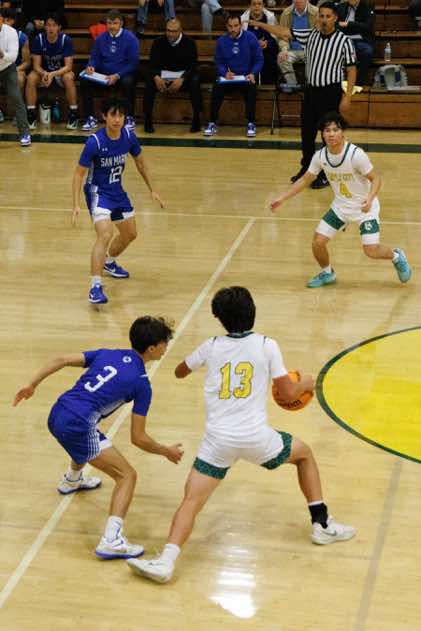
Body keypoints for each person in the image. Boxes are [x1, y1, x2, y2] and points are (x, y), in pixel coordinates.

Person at [127, 286, 356, 584]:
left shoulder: (211, 345)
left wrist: (202, 363)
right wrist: (306, 383)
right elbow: (288, 393)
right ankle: (322, 525)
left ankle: (166, 562)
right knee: (304, 455)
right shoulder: (267, 345)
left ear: (219, 318)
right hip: (256, 439)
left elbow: (179, 372)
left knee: (191, 501)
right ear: (253, 312)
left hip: (218, 441)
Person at [14, 316, 184, 560]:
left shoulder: (109, 354)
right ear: (151, 348)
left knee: (89, 442)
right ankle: (111, 541)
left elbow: (61, 359)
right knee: (127, 476)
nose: (166, 346)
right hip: (77, 425)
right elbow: (138, 438)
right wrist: (165, 451)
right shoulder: (141, 384)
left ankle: (72, 480)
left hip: (57, 412)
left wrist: (32, 384)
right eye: (164, 343)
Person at [270, 112, 412, 288]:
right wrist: (282, 198)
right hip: (341, 207)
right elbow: (305, 180)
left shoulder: (356, 155)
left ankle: (397, 256)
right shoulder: (320, 156)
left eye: (335, 130)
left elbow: (376, 179)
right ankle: (327, 273)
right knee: (318, 242)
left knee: (371, 251)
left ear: (342, 132)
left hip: (365, 207)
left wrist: (369, 198)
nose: (331, 134)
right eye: (327, 130)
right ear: (322, 134)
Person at [249, 2, 357, 189]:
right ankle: (307, 167)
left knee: (328, 135)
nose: (324, 20)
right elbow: (284, 32)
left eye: (328, 16)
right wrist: (259, 24)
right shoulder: (311, 35)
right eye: (321, 16)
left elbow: (352, 69)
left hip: (330, 92)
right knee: (307, 133)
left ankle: (326, 173)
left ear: (335, 18)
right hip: (311, 91)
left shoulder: (344, 41)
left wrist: (347, 97)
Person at [72, 97, 164, 305]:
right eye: (113, 115)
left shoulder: (128, 136)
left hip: (117, 191)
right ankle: (95, 287)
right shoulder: (94, 142)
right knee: (105, 234)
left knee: (130, 234)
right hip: (97, 192)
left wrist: (153, 189)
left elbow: (140, 162)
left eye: (121, 115)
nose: (117, 119)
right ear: (104, 116)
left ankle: (109, 262)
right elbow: (78, 174)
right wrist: (76, 203)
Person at [204, 14, 263, 138]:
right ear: (226, 26)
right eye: (230, 26)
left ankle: (251, 123)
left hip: (246, 77)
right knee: (217, 86)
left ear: (240, 25)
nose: (233, 29)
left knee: (251, 88)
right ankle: (212, 122)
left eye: (236, 26)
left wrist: (253, 73)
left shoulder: (250, 37)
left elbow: (259, 59)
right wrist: (224, 73)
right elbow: (218, 62)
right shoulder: (221, 41)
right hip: (229, 78)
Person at [80, 10, 139, 132]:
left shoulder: (131, 38)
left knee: (128, 82)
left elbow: (133, 64)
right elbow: (94, 58)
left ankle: (129, 117)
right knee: (85, 80)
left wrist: (117, 75)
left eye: (115, 23)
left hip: (122, 74)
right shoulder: (101, 38)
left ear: (121, 23)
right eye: (109, 23)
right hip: (104, 75)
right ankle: (90, 118)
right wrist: (91, 66)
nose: (112, 26)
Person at [143, 19, 202, 133]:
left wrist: (182, 78)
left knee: (195, 80)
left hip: (182, 78)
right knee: (149, 80)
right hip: (163, 77)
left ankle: (197, 118)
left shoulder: (190, 42)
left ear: (180, 31)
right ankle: (148, 118)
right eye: (168, 30)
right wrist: (156, 77)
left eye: (174, 31)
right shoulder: (158, 42)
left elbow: (193, 66)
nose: (170, 34)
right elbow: (151, 65)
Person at [26, 13, 79, 130]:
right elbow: (36, 65)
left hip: (60, 73)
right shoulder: (38, 39)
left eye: (54, 25)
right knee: (31, 77)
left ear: (59, 27)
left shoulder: (66, 40)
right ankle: (31, 114)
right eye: (48, 25)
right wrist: (45, 74)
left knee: (69, 77)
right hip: (43, 73)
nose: (51, 28)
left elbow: (68, 66)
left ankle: (73, 113)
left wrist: (52, 74)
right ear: (45, 26)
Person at [0, 8, 30, 144]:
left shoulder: (11, 32)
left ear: (2, 20)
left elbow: (13, 56)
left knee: (16, 97)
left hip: (8, 67)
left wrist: (2, 55)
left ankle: (25, 133)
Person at [277, 0, 318, 86]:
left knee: (315, 58)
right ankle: (293, 85)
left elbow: (319, 35)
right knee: (282, 59)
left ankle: (310, 85)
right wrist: (284, 49)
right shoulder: (286, 13)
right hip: (291, 50)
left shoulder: (316, 12)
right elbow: (282, 36)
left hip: (309, 49)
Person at [337, 0, 375, 87]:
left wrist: (348, 24)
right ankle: (337, 82)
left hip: (360, 39)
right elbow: (335, 23)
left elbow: (367, 26)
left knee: (367, 51)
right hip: (343, 39)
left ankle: (357, 83)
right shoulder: (341, 7)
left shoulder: (367, 7)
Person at [241, 0, 278, 84]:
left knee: (268, 60)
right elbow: (240, 40)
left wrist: (266, 43)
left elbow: (276, 38)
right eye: (254, 4)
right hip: (249, 52)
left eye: (259, 4)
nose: (256, 6)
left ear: (263, 5)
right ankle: (250, 85)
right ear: (250, 6)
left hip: (267, 51)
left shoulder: (270, 18)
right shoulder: (243, 19)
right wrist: (253, 44)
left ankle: (268, 87)